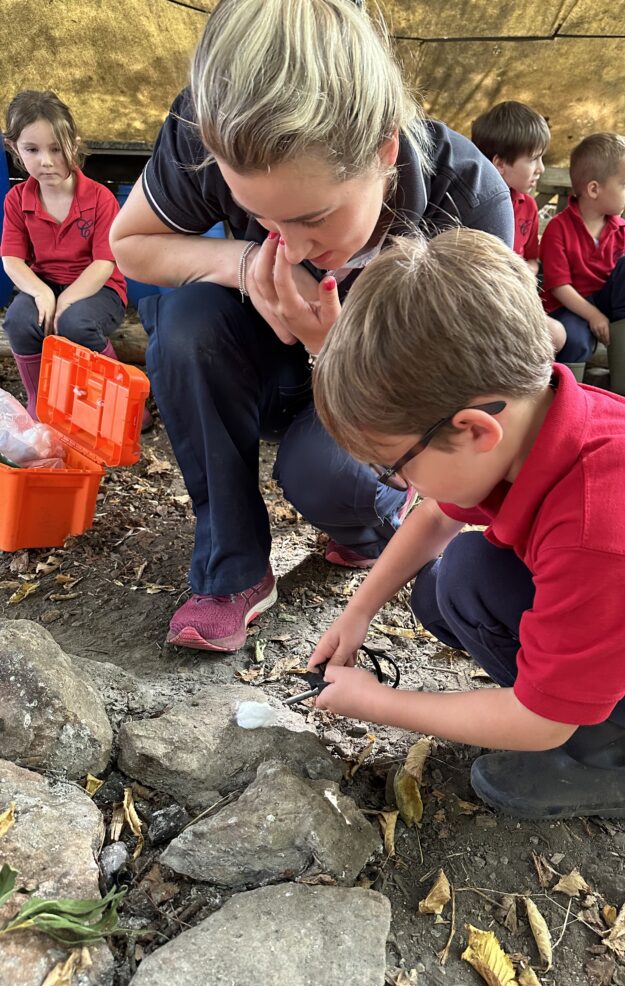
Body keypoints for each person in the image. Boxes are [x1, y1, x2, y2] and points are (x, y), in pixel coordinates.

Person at [307, 229, 625, 821]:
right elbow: (439, 515)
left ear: (476, 429)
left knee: (475, 598)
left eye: (394, 465)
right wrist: (358, 612)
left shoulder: (605, 521)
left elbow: (540, 719)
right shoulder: (540, 416)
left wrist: (381, 703)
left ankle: (603, 762)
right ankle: (583, 704)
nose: (399, 484)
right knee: (456, 580)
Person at [109, 0, 519, 655]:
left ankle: (362, 529)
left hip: (386, 396)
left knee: (322, 473)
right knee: (187, 323)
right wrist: (244, 263)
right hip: (264, 362)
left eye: (313, 217)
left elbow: (471, 410)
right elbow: (130, 243)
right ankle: (232, 570)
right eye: (261, 218)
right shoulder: (211, 130)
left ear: (385, 149)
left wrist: (330, 346)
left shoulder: (465, 201)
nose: (291, 250)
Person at [1, 91, 129, 418]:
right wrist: (42, 292)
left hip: (99, 289)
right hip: (46, 284)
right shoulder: (17, 199)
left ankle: (122, 405)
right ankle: (39, 404)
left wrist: (67, 299)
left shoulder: (100, 198)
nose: (46, 160)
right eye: (32, 150)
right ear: (15, 149)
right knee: (19, 320)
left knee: (76, 323)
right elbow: (12, 259)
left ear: (74, 143)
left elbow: (104, 263)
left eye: (56, 149)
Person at [539, 132, 625, 401]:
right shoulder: (559, 228)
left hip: (611, 304)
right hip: (572, 308)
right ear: (594, 189)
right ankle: (565, 401)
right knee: (574, 338)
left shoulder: (622, 230)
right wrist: (593, 315)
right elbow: (559, 286)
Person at [471, 100, 548, 275]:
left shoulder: (528, 207)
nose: (541, 169)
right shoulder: (473, 208)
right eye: (533, 159)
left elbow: (532, 260)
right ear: (500, 164)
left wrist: (524, 275)